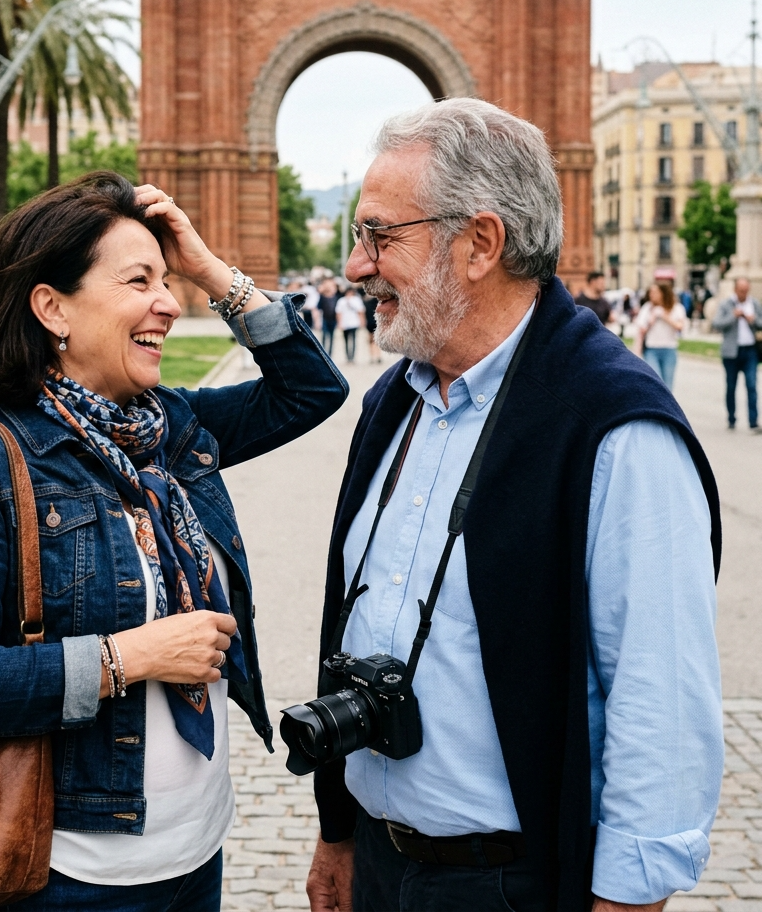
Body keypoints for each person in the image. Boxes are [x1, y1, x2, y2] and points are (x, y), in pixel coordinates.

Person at [306, 99, 722, 912]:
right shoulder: (394, 400)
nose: (356, 266)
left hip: (511, 885)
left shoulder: (613, 427)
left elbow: (660, 697)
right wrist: (339, 833)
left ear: (480, 243)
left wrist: (630, 897)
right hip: (382, 865)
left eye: (379, 236)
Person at [0, 172, 348, 911]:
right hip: (68, 878)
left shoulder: (169, 427)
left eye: (167, 281)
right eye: (140, 281)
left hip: (196, 855)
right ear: (53, 307)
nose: (167, 302)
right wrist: (129, 657)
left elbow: (312, 389)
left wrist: (210, 270)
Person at [712, 277, 762, 431]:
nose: (743, 294)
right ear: (735, 290)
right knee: (731, 386)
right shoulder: (726, 304)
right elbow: (716, 323)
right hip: (731, 352)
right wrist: (733, 316)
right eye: (741, 291)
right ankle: (731, 418)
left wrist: (753, 320)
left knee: (752, 385)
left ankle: (753, 421)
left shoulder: (754, 304)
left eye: (746, 291)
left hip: (750, 350)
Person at [634, 280, 687, 390]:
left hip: (669, 349)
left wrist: (664, 315)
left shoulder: (677, 308)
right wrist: (651, 319)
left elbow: (680, 326)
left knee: (667, 386)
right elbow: (641, 330)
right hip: (651, 350)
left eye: (655, 292)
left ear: (663, 293)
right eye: (650, 292)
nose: (651, 295)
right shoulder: (647, 308)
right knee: (655, 382)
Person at [335, 286, 366, 363]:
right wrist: (340, 323)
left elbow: (361, 311)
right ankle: (348, 357)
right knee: (346, 340)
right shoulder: (341, 301)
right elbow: (338, 313)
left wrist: (362, 321)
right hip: (345, 323)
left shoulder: (356, 300)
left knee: (353, 339)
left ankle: (352, 357)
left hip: (354, 323)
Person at [317, 277, 340, 357]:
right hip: (325, 318)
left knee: (332, 337)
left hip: (333, 319)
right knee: (324, 336)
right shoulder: (322, 296)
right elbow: (318, 308)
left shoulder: (336, 296)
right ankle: (323, 352)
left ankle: (330, 353)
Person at [363, 292, 381, 364]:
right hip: (370, 323)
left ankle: (377, 356)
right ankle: (373, 356)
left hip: (375, 323)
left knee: (376, 341)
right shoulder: (366, 301)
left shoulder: (374, 301)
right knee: (371, 341)